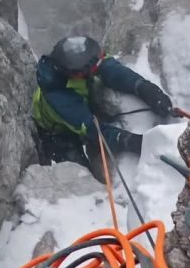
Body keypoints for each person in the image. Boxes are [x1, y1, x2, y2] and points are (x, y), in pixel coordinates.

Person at [32, 35, 173, 176]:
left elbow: (112, 70)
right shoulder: (58, 97)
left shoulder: (82, 64)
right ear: (77, 74)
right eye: (93, 66)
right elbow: (91, 128)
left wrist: (144, 88)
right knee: (79, 172)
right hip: (58, 132)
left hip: (78, 103)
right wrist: (129, 141)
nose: (99, 63)